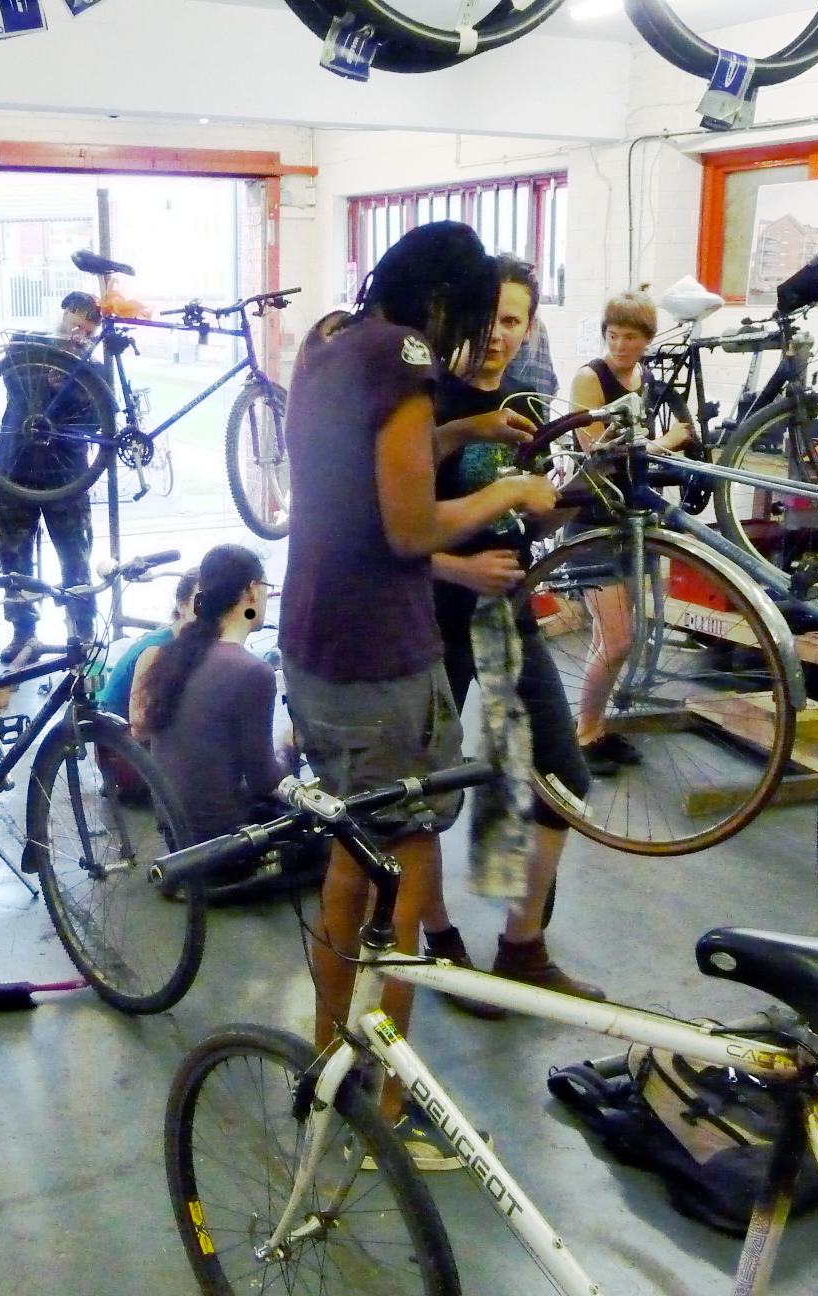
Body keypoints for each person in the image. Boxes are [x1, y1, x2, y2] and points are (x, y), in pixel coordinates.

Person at [281, 221, 551, 1164]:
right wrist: (510, 494)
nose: (469, 340)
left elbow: (366, 467)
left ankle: (327, 1067)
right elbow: (408, 526)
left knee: (351, 854)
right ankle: (391, 1105)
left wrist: (465, 431)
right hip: (378, 654)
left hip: (315, 640)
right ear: (442, 303)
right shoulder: (403, 358)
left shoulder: (330, 338)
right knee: (404, 865)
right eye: (469, 318)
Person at [428, 256, 602, 1007]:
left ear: (530, 328)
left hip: (509, 613)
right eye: (486, 317)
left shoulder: (525, 405)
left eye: (511, 320)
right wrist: (458, 569)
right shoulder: (424, 402)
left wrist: (587, 489)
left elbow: (534, 516)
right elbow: (380, 530)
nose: (496, 334)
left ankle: (522, 947)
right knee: (422, 800)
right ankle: (436, 942)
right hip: (426, 621)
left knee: (564, 777)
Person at [569, 291, 696, 775]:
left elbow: (677, 437)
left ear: (647, 340)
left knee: (617, 637)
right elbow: (597, 451)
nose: (620, 346)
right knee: (618, 639)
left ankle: (594, 726)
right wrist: (665, 443)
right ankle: (584, 735)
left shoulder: (647, 381)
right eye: (613, 335)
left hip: (633, 521)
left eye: (631, 337)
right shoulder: (590, 378)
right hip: (593, 521)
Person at [142, 546, 286, 847]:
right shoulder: (252, 671)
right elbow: (264, 780)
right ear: (251, 591)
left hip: (176, 837)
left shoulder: (174, 654)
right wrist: (290, 748)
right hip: (225, 845)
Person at [0, 290, 103, 665]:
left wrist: (71, 385)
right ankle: (23, 631)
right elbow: (14, 384)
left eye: (87, 332)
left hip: (66, 475)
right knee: (15, 558)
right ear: (64, 313)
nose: (79, 334)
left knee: (75, 554)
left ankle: (82, 630)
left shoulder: (92, 369)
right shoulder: (25, 344)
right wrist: (50, 375)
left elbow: (97, 423)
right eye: (76, 323)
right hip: (16, 467)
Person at [98, 568, 198, 727]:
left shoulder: (179, 639)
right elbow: (140, 720)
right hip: (118, 732)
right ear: (182, 606)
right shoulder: (159, 649)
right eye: (200, 602)